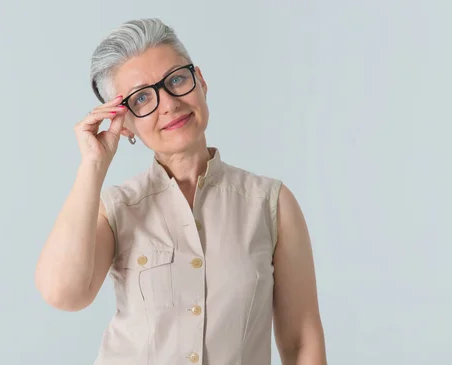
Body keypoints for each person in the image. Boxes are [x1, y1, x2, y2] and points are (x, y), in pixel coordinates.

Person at [35, 18, 327, 365]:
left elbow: (300, 342)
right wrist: (93, 165)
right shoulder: (116, 209)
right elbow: (64, 294)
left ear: (200, 81)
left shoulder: (270, 203)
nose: (169, 103)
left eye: (177, 80)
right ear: (124, 122)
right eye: (142, 98)